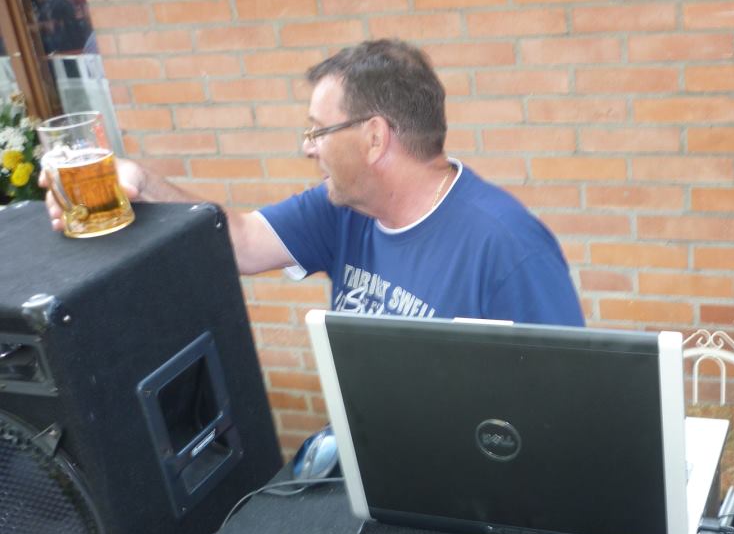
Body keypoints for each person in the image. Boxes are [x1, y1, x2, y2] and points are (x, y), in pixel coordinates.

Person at [46, 39, 584, 327]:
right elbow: (238, 242)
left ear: (374, 138)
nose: (308, 148)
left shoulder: (508, 247)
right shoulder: (340, 209)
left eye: (318, 131)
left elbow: (566, 405)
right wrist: (139, 183)